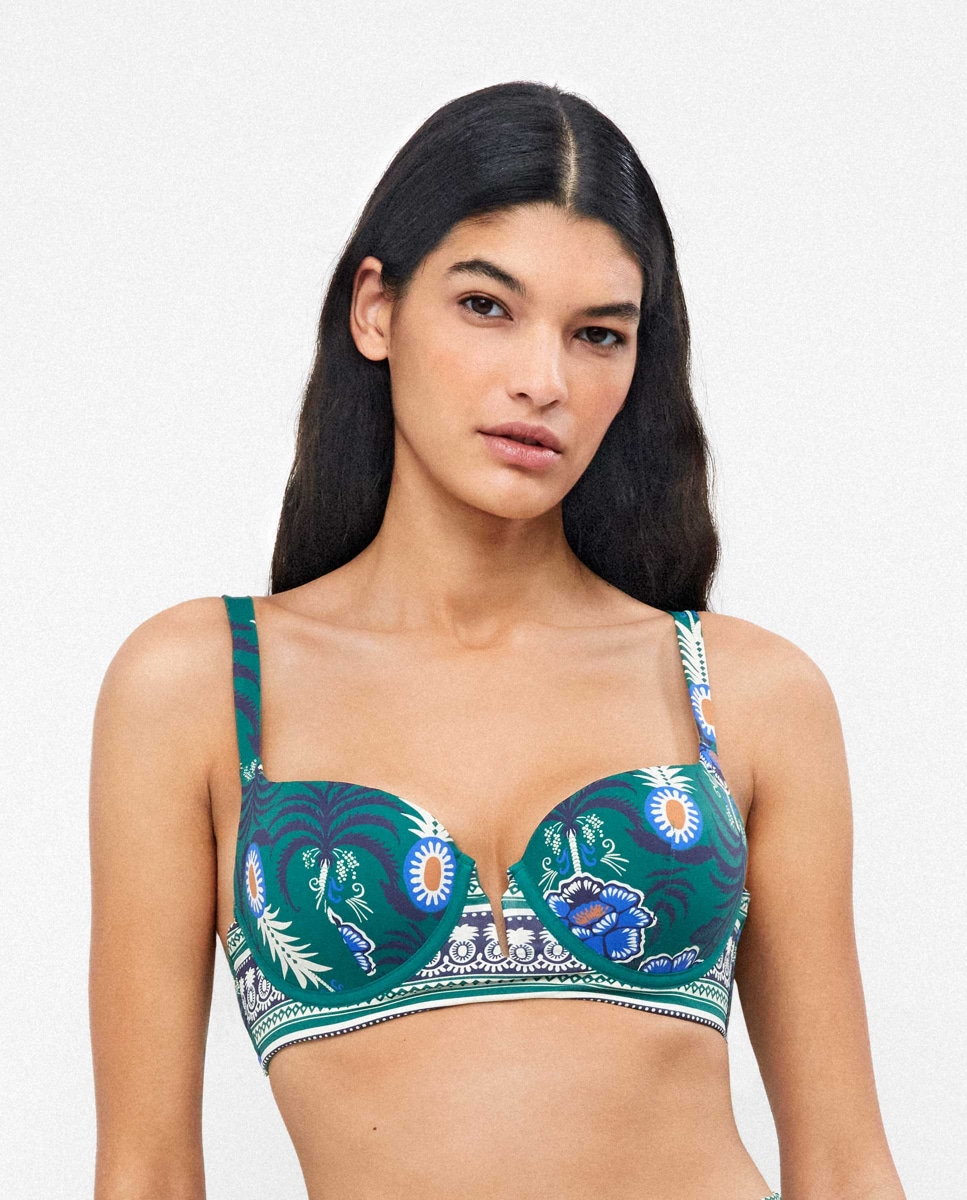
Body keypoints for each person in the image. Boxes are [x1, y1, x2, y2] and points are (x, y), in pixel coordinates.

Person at [88, 81, 907, 1200]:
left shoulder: (743, 691)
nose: (543, 382)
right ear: (375, 310)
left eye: (598, 335)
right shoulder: (200, 687)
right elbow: (143, 1172)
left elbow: (846, 1166)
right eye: (486, 306)